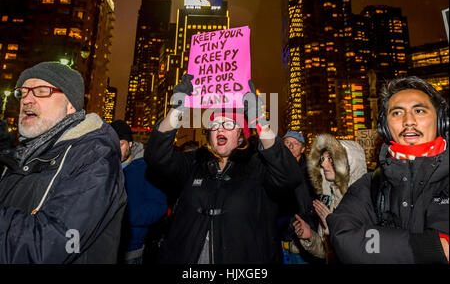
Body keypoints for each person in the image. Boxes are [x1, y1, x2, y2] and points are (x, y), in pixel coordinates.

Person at [144, 75, 303, 264]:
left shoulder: (258, 167)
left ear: (241, 134)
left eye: (228, 124)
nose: (220, 129)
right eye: (215, 125)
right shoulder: (195, 163)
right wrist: (176, 109)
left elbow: (290, 175)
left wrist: (259, 120)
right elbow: (156, 157)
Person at [0, 62, 127, 263]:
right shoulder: (23, 154)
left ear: (70, 106)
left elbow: (48, 246)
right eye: (22, 92)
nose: (27, 99)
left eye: (42, 91)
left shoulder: (95, 158)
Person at [328, 76, 449, 263]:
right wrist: (431, 248)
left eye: (419, 110)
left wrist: (384, 241)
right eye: (397, 113)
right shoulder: (370, 185)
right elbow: (345, 237)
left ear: (441, 121)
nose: (409, 121)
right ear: (385, 127)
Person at [292, 133, 367, 263]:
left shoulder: (366, 202)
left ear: (350, 162)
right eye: (323, 159)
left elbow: (366, 253)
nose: (324, 165)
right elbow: (326, 252)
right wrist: (310, 237)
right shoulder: (331, 198)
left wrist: (334, 227)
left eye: (331, 159)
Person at [110, 120, 167, 264]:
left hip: (131, 251)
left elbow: (159, 207)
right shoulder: (104, 168)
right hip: (103, 248)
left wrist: (126, 216)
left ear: (130, 144)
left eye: (120, 144)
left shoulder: (146, 169)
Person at [277, 131, 318, 264]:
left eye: (295, 143)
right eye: (287, 142)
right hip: (278, 242)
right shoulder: (273, 170)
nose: (290, 146)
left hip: (303, 244)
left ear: (303, 148)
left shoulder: (312, 172)